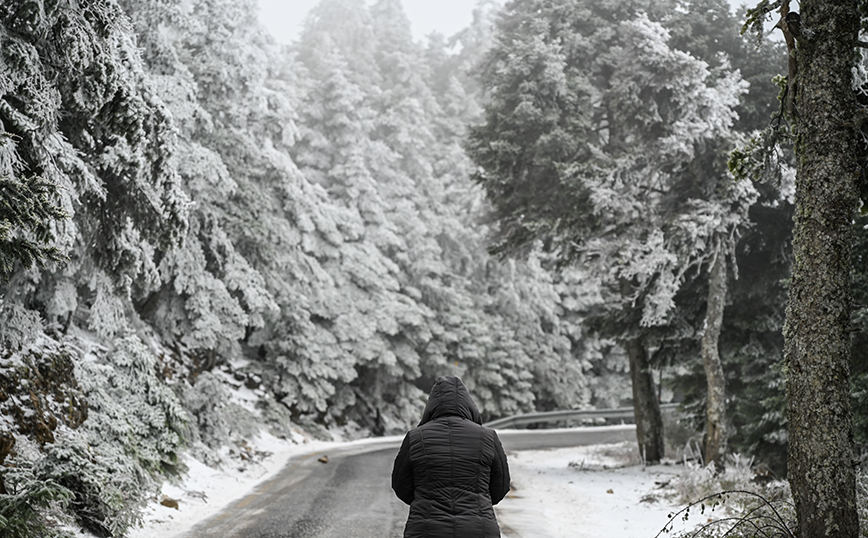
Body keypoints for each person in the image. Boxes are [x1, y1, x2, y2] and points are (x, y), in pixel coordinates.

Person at [391, 375, 510, 538]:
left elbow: (401, 485)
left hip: (425, 529)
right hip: (478, 529)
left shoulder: (416, 437)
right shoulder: (487, 436)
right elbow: (501, 485)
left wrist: (424, 500)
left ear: (431, 405)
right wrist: (480, 503)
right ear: (469, 404)